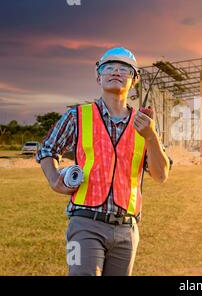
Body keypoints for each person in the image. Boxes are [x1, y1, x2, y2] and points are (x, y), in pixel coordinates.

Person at [36, 47, 172, 276]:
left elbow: (161, 175)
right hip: (84, 223)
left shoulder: (145, 125)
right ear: (98, 76)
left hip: (127, 229)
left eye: (124, 69)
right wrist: (53, 179)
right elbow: (47, 148)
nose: (116, 72)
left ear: (134, 80)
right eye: (109, 68)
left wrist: (151, 136)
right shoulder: (77, 116)